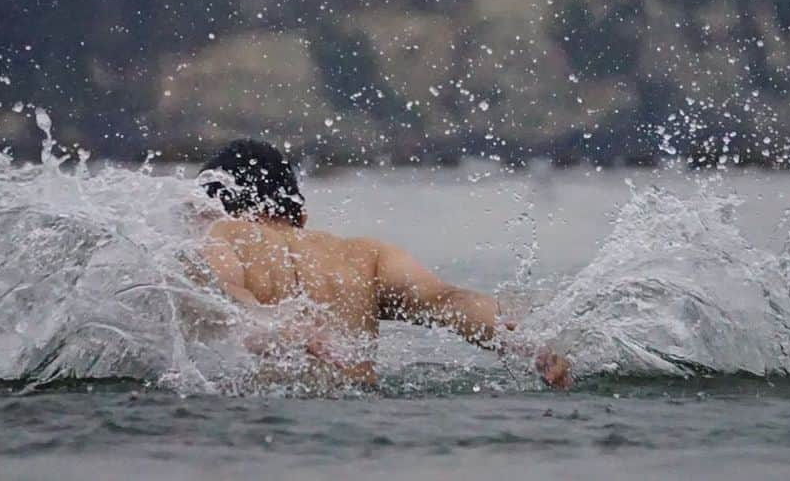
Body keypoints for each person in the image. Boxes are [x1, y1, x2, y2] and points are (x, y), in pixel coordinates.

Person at [197, 138, 571, 389]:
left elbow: (227, 295)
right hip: (359, 412)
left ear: (212, 205)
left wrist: (283, 328)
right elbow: (448, 301)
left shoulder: (220, 233)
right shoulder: (364, 255)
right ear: (302, 213)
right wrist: (526, 342)